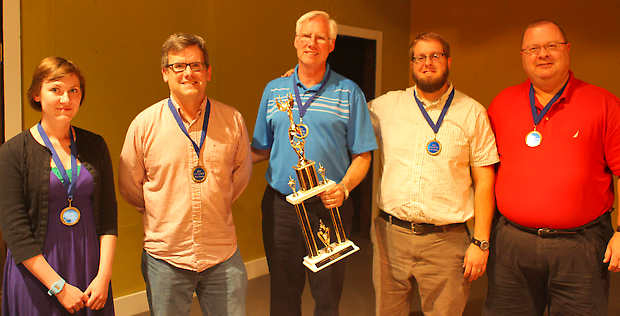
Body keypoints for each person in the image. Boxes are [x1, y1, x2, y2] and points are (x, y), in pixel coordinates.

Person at [484, 20, 620, 315]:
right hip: (511, 243)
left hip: (580, 247)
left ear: (567, 50)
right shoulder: (501, 104)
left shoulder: (605, 104)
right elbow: (485, 172)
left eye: (551, 46)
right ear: (523, 56)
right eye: (533, 48)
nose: (542, 54)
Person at [251, 10, 377, 316]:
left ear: (331, 44)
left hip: (329, 206)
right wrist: (224, 165)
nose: (312, 42)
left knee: (327, 295)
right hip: (281, 208)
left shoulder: (349, 93)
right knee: (282, 293)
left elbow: (363, 155)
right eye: (306, 36)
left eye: (320, 37)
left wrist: (345, 188)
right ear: (295, 41)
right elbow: (260, 149)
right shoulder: (274, 90)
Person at [118, 33, 251, 316]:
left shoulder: (232, 120)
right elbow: (130, 185)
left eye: (196, 65)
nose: (188, 72)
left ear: (208, 72)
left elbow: (239, 177)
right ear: (165, 73)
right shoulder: (144, 125)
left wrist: (216, 198)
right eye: (178, 66)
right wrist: (159, 208)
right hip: (166, 257)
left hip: (222, 255)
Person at [368, 32, 498, 316]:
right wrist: (306, 81)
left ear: (448, 61)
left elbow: (485, 182)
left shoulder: (473, 113)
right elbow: (343, 116)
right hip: (391, 236)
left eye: (435, 56)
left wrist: (481, 241)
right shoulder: (384, 107)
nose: (427, 63)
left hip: (446, 242)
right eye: (420, 57)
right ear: (412, 64)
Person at [0, 57, 117, 315]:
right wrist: (59, 287)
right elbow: (15, 232)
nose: (66, 98)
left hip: (89, 270)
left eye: (73, 90)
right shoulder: (13, 152)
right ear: (36, 95)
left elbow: (109, 217)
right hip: (36, 276)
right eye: (55, 90)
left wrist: (104, 277)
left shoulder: (95, 145)